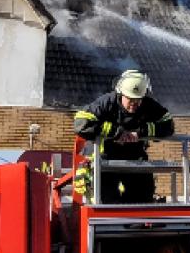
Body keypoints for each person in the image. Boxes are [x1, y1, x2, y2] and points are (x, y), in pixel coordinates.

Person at [73, 69, 174, 204]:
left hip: (134, 158)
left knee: (142, 196)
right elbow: (81, 123)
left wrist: (141, 132)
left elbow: (168, 125)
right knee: (106, 200)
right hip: (104, 158)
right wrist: (117, 133)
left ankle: (137, 223)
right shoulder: (107, 102)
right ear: (121, 94)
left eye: (138, 100)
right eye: (130, 99)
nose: (134, 104)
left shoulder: (149, 105)